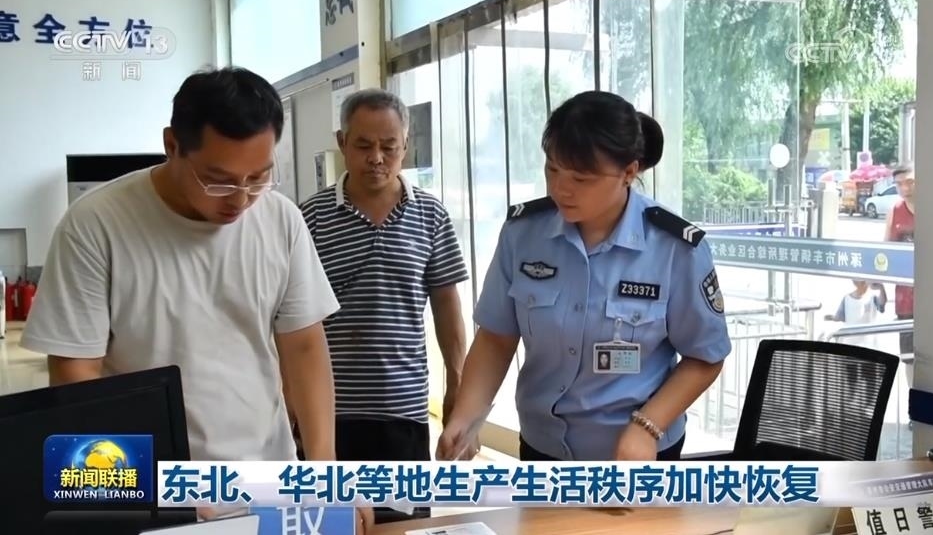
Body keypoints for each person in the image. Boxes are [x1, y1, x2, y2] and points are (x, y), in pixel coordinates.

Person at [19, 67, 373, 531]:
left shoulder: (280, 220)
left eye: (259, 177)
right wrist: (141, 491)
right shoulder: (95, 226)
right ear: (172, 146)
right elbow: (75, 379)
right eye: (218, 180)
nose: (241, 199)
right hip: (155, 489)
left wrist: (325, 472)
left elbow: (304, 347)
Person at [436, 91, 731, 463]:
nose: (561, 188)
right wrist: (465, 418)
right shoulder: (523, 234)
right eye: (552, 170)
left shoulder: (675, 248)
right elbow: (496, 338)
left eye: (581, 178)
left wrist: (648, 425)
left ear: (629, 172)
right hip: (543, 446)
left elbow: (705, 356)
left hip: (636, 453)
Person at [299, 89, 468, 521]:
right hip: (329, 414)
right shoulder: (309, 218)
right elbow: (290, 323)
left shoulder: (430, 215)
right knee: (332, 523)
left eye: (389, 147)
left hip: (402, 412)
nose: (377, 158)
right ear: (341, 142)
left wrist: (457, 385)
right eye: (363, 145)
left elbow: (447, 307)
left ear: (405, 146)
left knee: (402, 524)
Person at [884, 165, 915, 383]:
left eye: (910, 182)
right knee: (909, 358)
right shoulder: (895, 211)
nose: (905, 188)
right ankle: (913, 400)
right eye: (899, 184)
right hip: (905, 301)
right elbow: (884, 253)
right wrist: (878, 287)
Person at [824, 280, 887, 349]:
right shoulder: (846, 298)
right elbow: (839, 317)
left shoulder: (873, 297)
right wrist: (832, 318)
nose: (864, 284)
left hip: (868, 343)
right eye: (862, 282)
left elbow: (882, 304)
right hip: (850, 342)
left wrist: (881, 288)